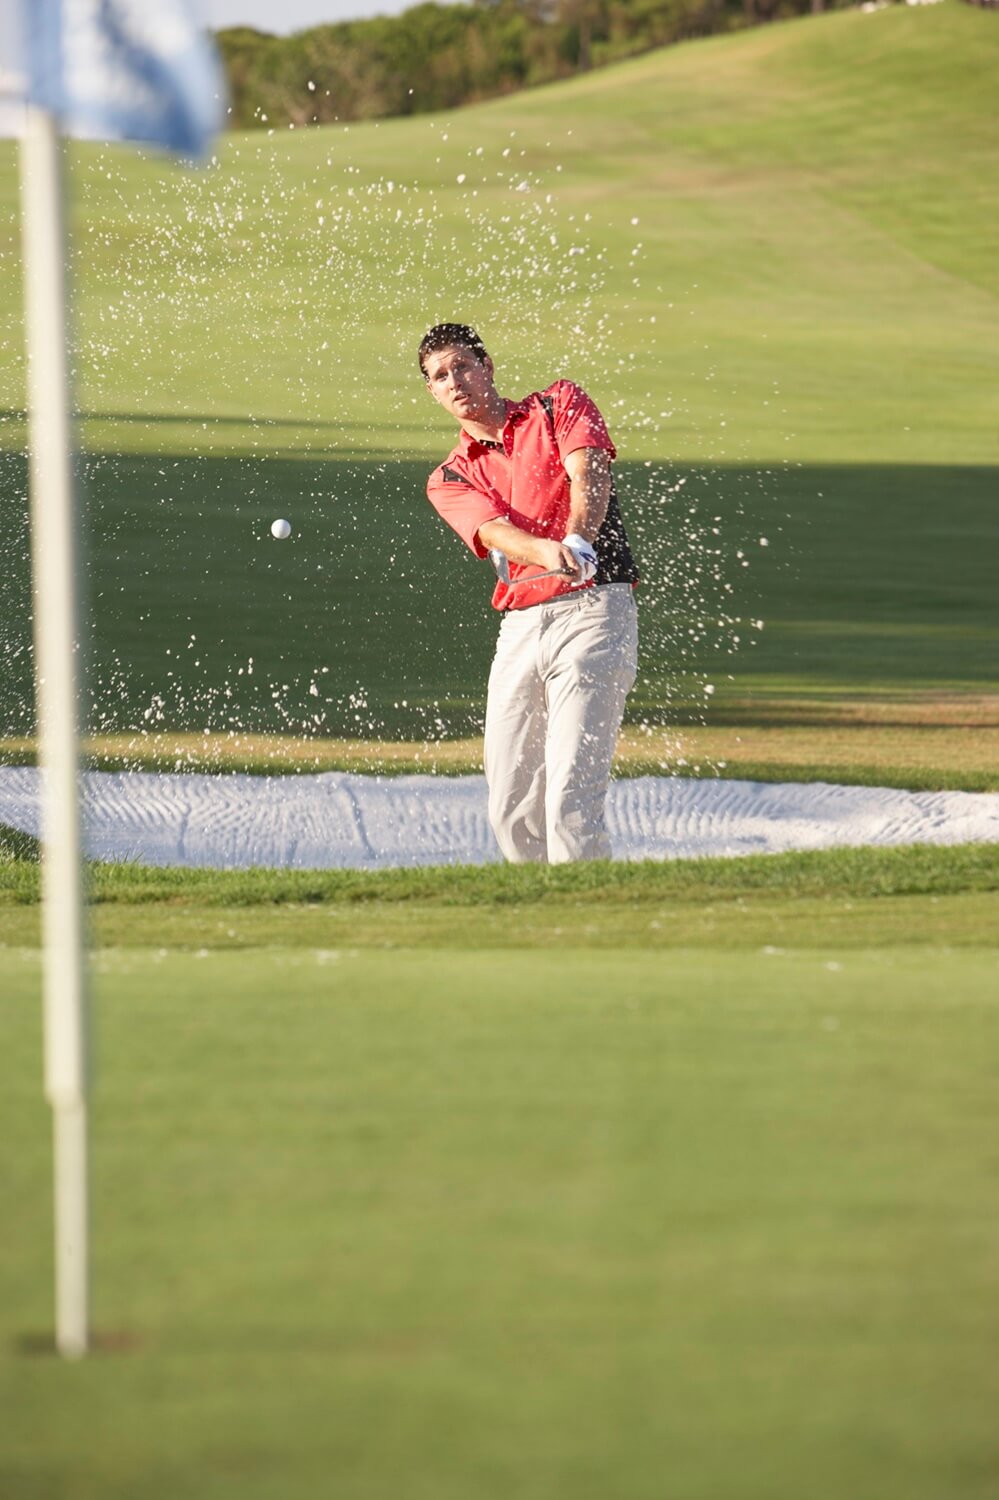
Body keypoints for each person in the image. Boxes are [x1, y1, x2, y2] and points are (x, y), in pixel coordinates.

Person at [421, 322, 639, 863]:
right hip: (519, 627)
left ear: (487, 365)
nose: (455, 382)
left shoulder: (557, 403)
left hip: (595, 610)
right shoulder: (448, 475)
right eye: (440, 376)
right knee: (511, 805)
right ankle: (538, 921)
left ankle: (588, 926)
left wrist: (579, 541)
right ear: (432, 392)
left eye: (462, 366)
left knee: (569, 796)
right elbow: (493, 532)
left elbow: (588, 470)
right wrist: (547, 553)